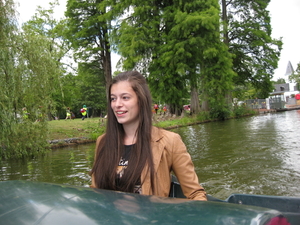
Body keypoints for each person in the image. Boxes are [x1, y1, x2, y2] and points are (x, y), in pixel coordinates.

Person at [90, 71, 207, 201]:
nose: (117, 104)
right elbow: (95, 191)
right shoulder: (103, 142)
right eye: (113, 98)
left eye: (125, 97)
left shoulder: (170, 141)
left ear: (141, 100)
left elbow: (195, 194)